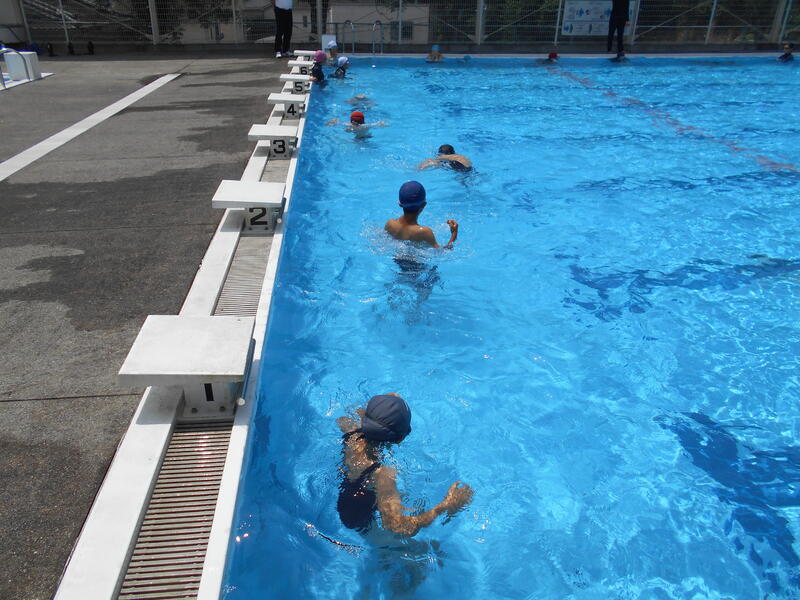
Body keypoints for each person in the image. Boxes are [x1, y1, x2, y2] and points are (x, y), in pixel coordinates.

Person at [337, 394, 473, 536]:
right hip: (363, 523)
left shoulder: (350, 429)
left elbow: (368, 412)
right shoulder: (383, 474)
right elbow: (396, 525)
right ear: (399, 440)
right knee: (429, 548)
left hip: (345, 499)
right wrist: (446, 505)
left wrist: (386, 405)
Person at [385, 181, 458, 249]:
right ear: (424, 204)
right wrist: (454, 234)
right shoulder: (424, 232)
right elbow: (442, 252)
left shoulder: (390, 224)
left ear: (400, 204)